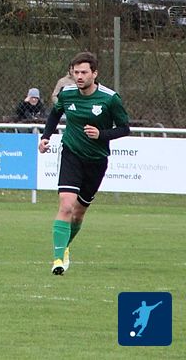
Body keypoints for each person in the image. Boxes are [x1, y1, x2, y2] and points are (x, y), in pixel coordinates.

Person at [39, 51, 130, 276]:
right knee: (66, 205)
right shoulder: (67, 93)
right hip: (71, 154)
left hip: (96, 161)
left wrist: (101, 134)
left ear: (94, 74)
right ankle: (57, 259)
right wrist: (46, 137)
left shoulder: (110, 98)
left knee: (78, 213)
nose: (79, 76)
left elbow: (124, 128)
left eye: (84, 72)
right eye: (76, 72)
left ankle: (65, 246)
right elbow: (55, 114)